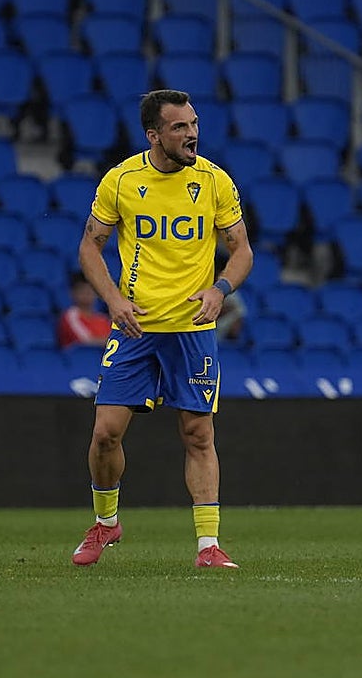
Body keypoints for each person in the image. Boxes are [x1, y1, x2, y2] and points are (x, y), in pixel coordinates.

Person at [71, 89, 254, 569]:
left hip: (192, 331)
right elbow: (90, 247)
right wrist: (112, 300)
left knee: (198, 435)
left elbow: (242, 250)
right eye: (179, 127)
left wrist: (220, 290)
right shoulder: (123, 180)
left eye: (193, 123)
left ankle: (208, 546)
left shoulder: (214, 181)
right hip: (136, 328)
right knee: (105, 434)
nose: (192, 133)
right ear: (154, 135)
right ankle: (106, 523)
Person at [57, 272, 113, 348]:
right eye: (82, 290)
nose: (87, 293)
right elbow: (85, 341)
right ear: (73, 293)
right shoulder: (70, 316)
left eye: (91, 289)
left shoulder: (103, 319)